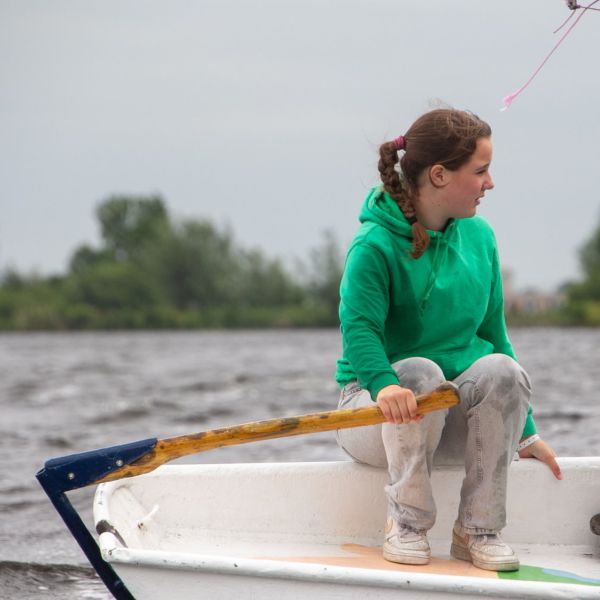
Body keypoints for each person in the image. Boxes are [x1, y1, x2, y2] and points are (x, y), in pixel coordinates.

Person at [335, 108, 561, 572]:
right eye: (480, 171)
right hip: (375, 411)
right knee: (419, 373)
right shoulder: (373, 246)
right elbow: (359, 331)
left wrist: (528, 430)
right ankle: (406, 523)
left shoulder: (480, 238)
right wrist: (384, 386)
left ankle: (477, 530)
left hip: (446, 412)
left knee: (503, 369)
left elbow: (494, 336)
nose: (490, 183)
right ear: (439, 175)